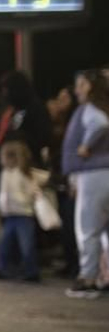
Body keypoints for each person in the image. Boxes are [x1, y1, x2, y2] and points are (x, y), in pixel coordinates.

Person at [61, 69, 109, 297]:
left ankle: (88, 278)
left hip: (93, 174)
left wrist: (86, 145)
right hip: (104, 171)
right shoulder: (104, 106)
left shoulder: (89, 109)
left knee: (88, 228)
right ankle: (104, 276)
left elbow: (100, 124)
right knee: (106, 230)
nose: (77, 90)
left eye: (81, 84)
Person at [0, 141, 41, 282]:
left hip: (23, 215)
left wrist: (22, 200)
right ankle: (2, 268)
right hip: (9, 214)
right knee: (4, 244)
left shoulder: (23, 174)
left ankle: (31, 271)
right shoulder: (4, 174)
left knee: (26, 245)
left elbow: (32, 192)